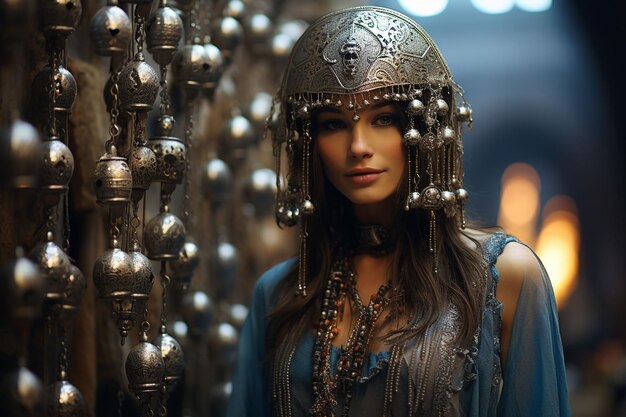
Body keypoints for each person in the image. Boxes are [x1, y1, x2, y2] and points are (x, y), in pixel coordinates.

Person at [227, 5, 570, 417]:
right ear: (309, 141)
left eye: (384, 118)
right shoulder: (279, 294)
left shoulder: (504, 278)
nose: (358, 146)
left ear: (425, 129)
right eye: (334, 123)